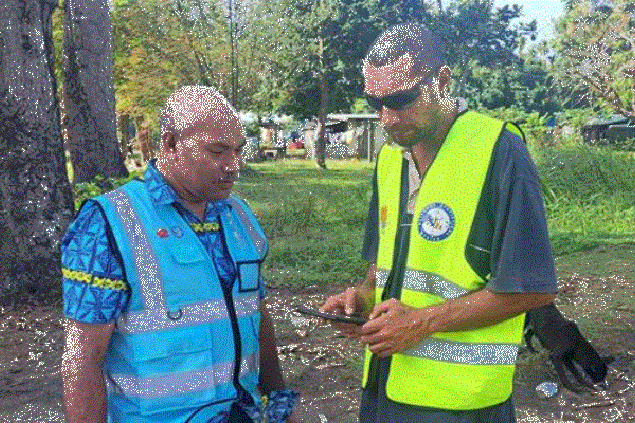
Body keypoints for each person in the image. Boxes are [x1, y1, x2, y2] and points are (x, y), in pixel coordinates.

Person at [321, 23, 558, 422]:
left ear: (443, 81)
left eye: (402, 100)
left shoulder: (500, 151)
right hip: (385, 391)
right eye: (375, 103)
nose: (388, 119)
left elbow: (533, 289)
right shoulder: (390, 158)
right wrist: (362, 297)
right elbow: (384, 263)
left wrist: (421, 323)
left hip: (462, 407)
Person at [61, 86, 297, 423]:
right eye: (218, 152)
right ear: (171, 144)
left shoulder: (239, 217)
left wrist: (277, 400)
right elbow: (83, 360)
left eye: (238, 151)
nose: (234, 166)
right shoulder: (108, 225)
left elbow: (256, 314)